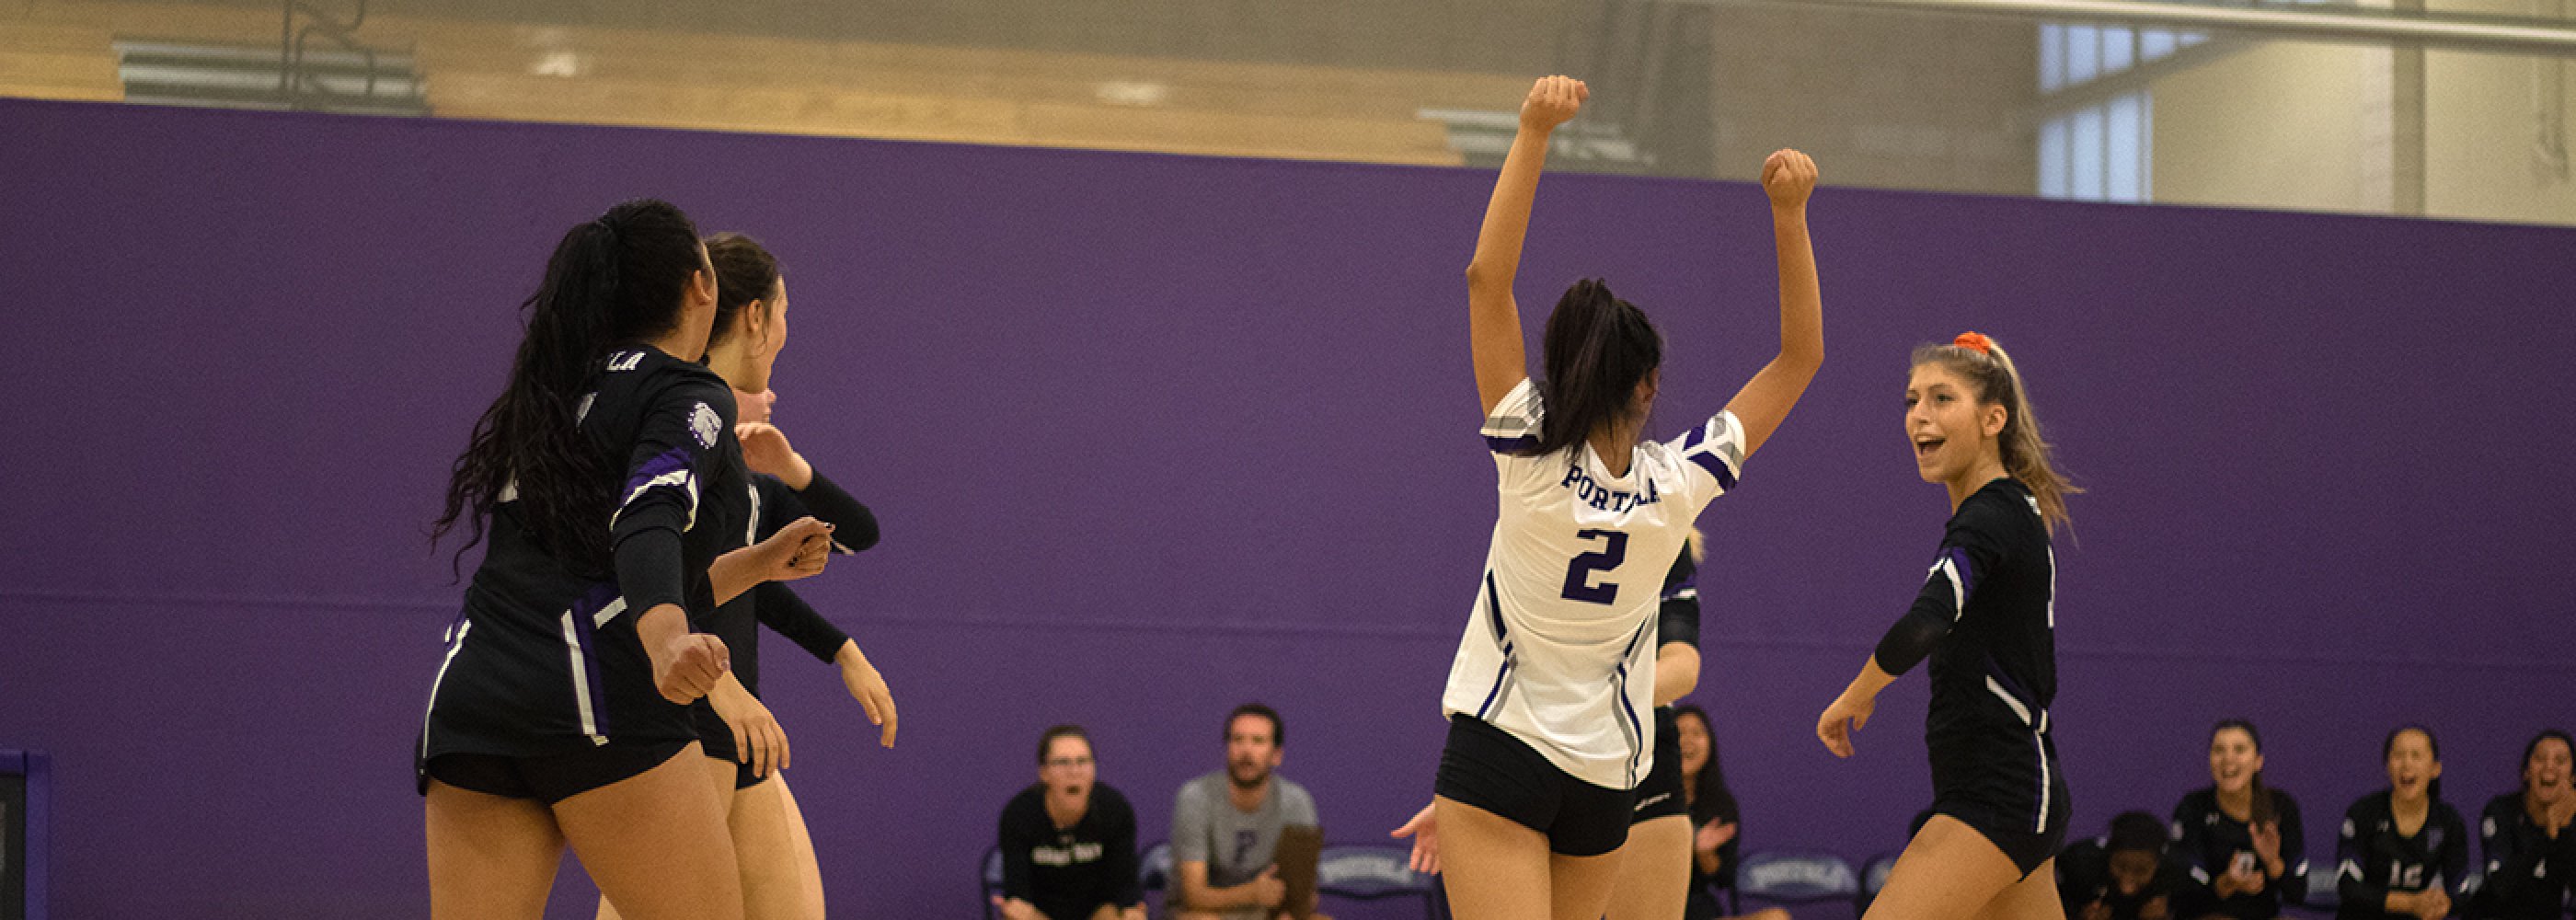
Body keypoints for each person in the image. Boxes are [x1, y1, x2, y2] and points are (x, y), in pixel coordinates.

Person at [1389, 72, 1823, 920]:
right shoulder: (1677, 484)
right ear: (1651, 385)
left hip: (1499, 748)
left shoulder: (1528, 449)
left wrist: (1534, 132)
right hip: (1605, 777)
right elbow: (1798, 358)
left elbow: (1487, 280)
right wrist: (1789, 216)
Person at [419, 199, 834, 920]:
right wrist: (666, 636)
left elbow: (608, 567)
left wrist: (759, 564)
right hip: (590, 693)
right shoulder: (684, 388)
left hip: (474, 697)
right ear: (702, 288)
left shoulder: (554, 387)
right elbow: (646, 516)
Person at [592, 231, 895, 920]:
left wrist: (838, 648)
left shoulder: (737, 463)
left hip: (732, 725)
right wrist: (722, 688)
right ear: (754, 317)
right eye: (783, 311)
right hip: (681, 716)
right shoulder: (682, 430)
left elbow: (741, 578)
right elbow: (646, 577)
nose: (786, 337)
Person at [1814, 330, 2078, 920]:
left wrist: (1856, 696)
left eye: (1940, 398)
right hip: (2009, 792)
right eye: (1911, 400)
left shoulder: (1990, 516)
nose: (1918, 417)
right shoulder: (2004, 510)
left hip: (1998, 798)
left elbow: (1926, 622)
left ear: (1993, 419)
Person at [1171, 705, 1327, 920]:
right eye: (1238, 740)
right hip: (1210, 913)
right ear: (1227, 748)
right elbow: (1194, 896)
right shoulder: (1195, 797)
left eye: (1258, 741)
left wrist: (1293, 908)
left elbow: (1306, 895)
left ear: (1277, 755)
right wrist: (1252, 893)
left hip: (1267, 913)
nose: (1246, 750)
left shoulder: (1297, 802)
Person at [995, 726, 1147, 920]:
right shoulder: (1019, 815)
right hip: (1041, 912)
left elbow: (1125, 886)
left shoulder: (1115, 810)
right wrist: (1015, 906)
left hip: (1098, 912)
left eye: (1083, 762)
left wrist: (1131, 910)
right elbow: (1018, 893)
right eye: (1062, 763)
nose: (1074, 771)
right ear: (1044, 773)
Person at [2170, 719, 2306, 919]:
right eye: (2219, 750)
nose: (2228, 759)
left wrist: (2273, 862)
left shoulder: (2280, 807)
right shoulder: (2193, 807)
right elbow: (2182, 897)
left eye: (2239, 749)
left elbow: (2297, 894)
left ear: (2258, 761)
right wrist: (2228, 883)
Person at [2337, 725, 2469, 920]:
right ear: (2387, 765)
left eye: (2416, 755)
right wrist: (2409, 903)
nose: (2407, 764)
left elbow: (2460, 893)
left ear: (2435, 769)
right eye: (2398, 755)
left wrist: (2443, 904)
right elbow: (2349, 887)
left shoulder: (2448, 822)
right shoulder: (2363, 813)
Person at [2467, 730, 2572, 919]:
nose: (2549, 767)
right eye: (2540, 758)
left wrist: (2565, 834)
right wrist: (2549, 836)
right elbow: (2499, 889)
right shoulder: (2501, 811)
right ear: (2526, 772)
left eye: (2560, 761)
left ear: (2573, 778)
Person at [2060, 811, 2191, 920]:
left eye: (2141, 870)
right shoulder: (2077, 864)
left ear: (2158, 864)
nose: (2126, 885)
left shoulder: (2180, 875)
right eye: (2121, 867)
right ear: (2109, 855)